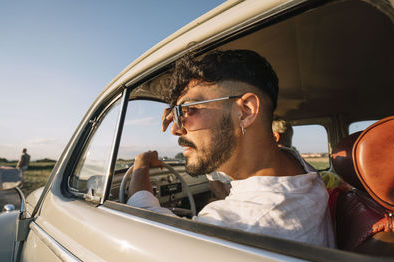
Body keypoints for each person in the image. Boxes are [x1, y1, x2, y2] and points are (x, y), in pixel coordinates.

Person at [126, 50, 335, 247]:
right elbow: (229, 151)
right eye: (178, 113)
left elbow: (142, 217)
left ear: (245, 111)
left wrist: (141, 164)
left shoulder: (234, 226)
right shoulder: (297, 169)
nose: (175, 129)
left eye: (189, 109)